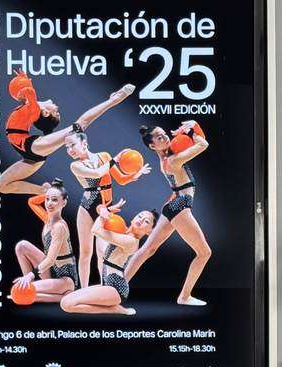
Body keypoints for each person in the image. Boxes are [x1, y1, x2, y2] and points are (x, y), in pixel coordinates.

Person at [0, 70, 135, 196]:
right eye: (57, 111)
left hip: (32, 147)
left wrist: (26, 86)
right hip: (29, 158)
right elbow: (26, 94)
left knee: (79, 126)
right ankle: (45, 190)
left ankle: (114, 100)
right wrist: (25, 80)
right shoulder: (31, 107)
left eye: (55, 111)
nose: (56, 105)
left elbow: (29, 94)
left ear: (45, 113)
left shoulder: (34, 108)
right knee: (1, 185)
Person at [125, 121, 211, 305]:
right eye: (159, 137)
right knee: (204, 253)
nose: (164, 137)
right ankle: (184, 296)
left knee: (148, 249)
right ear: (152, 146)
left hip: (172, 205)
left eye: (164, 133)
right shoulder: (173, 160)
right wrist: (191, 129)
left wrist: (183, 132)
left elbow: (177, 185)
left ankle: (117, 288)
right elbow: (203, 144)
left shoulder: (166, 160)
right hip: (180, 205)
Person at [65, 131, 150, 287]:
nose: (70, 150)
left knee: (103, 253)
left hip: (105, 207)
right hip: (87, 208)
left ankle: (104, 288)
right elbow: (97, 173)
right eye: (67, 147)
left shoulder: (104, 156)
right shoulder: (75, 165)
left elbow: (121, 180)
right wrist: (115, 160)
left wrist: (135, 174)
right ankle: (83, 290)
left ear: (84, 143)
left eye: (72, 145)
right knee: (86, 252)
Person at [60, 200, 155, 316]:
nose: (141, 220)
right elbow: (100, 220)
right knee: (65, 302)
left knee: (67, 304)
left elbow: (96, 230)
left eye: (146, 221)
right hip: (106, 284)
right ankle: (111, 306)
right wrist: (106, 211)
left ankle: (117, 309)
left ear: (149, 232)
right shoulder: (122, 231)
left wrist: (106, 212)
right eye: (140, 216)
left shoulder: (131, 241)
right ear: (133, 218)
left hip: (116, 288)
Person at [12, 179, 79, 301]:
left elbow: (50, 259)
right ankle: (28, 286)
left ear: (64, 202)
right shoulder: (47, 219)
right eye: (47, 199)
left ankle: (64, 293)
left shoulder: (59, 226)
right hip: (49, 271)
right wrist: (48, 192)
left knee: (21, 291)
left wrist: (30, 275)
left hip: (65, 279)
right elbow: (32, 202)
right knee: (21, 246)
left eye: (54, 200)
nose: (49, 203)